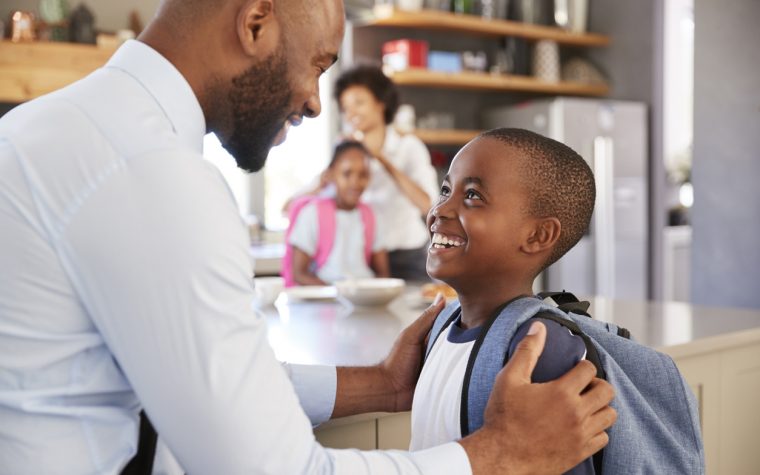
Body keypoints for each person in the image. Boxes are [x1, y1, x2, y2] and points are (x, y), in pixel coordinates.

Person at [0, 0, 616, 473]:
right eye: (319, 63)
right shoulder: (150, 173)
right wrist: (497, 456)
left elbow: (187, 375)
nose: (316, 103)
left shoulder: (56, 128)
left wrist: (382, 384)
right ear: (256, 21)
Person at [410, 128, 598, 472]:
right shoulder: (443, 323)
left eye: (472, 196)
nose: (439, 210)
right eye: (446, 190)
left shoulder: (539, 348)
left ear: (538, 235)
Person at [287, 64, 439, 282]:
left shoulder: (409, 147)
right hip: (364, 259)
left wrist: (380, 158)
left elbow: (428, 205)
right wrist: (333, 171)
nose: (351, 113)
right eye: (345, 107)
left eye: (359, 102)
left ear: (380, 103)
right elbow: (304, 202)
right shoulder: (345, 149)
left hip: (408, 256)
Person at [286, 140, 390, 285]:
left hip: (364, 297)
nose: (355, 182)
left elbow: (383, 273)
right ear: (330, 175)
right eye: (347, 174)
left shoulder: (372, 215)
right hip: (326, 298)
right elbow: (299, 274)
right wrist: (338, 293)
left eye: (363, 175)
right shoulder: (312, 214)